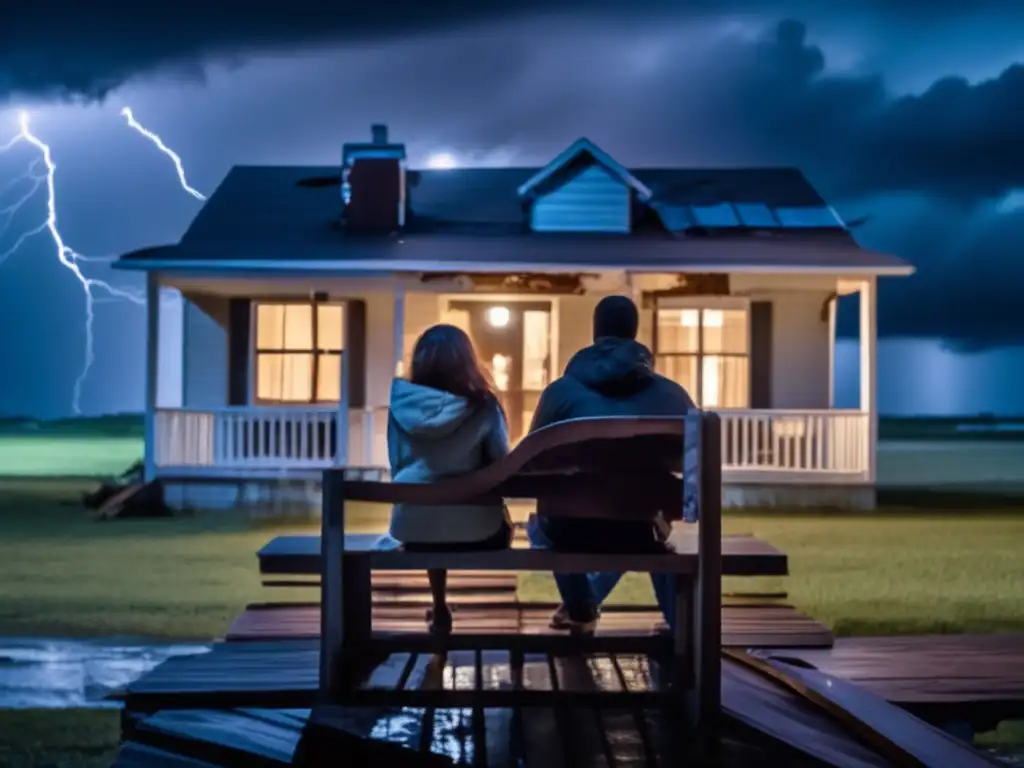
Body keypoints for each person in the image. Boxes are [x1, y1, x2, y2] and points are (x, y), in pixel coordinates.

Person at [527, 295, 696, 634]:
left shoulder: (560, 393)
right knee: (645, 519)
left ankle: (580, 607)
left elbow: (531, 465)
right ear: (634, 332)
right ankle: (680, 631)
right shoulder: (673, 396)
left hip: (569, 529)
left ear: (595, 333)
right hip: (639, 529)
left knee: (541, 526)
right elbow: (695, 462)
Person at [386, 324, 514, 634]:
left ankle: (439, 603)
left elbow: (398, 463)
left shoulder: (400, 406)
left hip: (413, 531)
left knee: (431, 510)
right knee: (473, 514)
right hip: (480, 533)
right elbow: (502, 464)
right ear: (468, 360)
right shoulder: (483, 405)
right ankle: (440, 605)